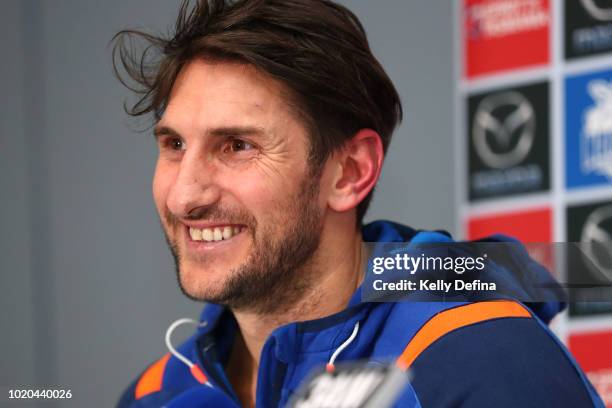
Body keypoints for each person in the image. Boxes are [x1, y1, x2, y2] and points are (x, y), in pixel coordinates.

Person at [112, 0, 603, 407]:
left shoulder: (479, 360)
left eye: (238, 146)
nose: (185, 195)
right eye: (174, 145)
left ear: (349, 173)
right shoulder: (156, 392)